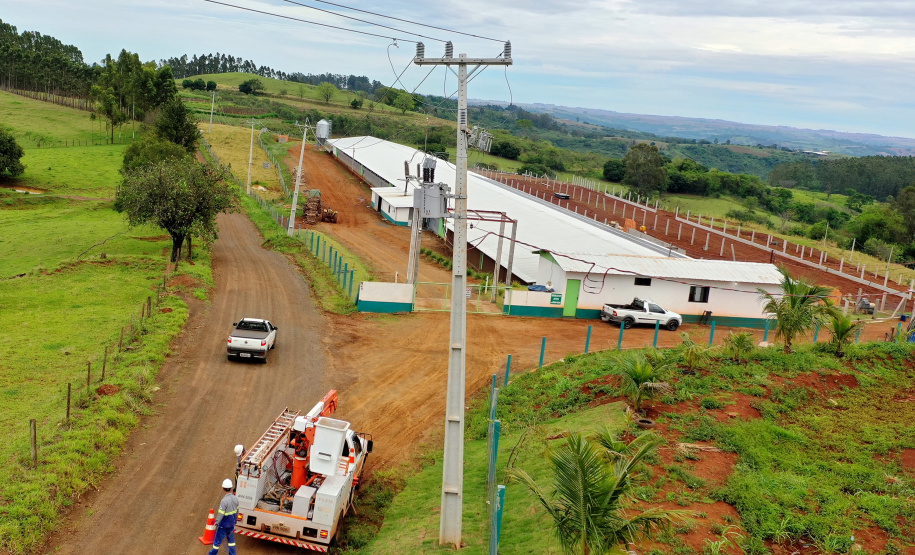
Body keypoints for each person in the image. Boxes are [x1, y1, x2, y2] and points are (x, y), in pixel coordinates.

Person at [208, 479, 239, 555]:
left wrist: (216, 523)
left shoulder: (224, 501)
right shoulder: (236, 498)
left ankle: (212, 553)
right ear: (231, 488)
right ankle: (232, 553)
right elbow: (237, 511)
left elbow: (221, 514)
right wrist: (235, 520)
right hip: (231, 524)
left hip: (224, 525)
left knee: (217, 542)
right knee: (231, 541)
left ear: (223, 488)